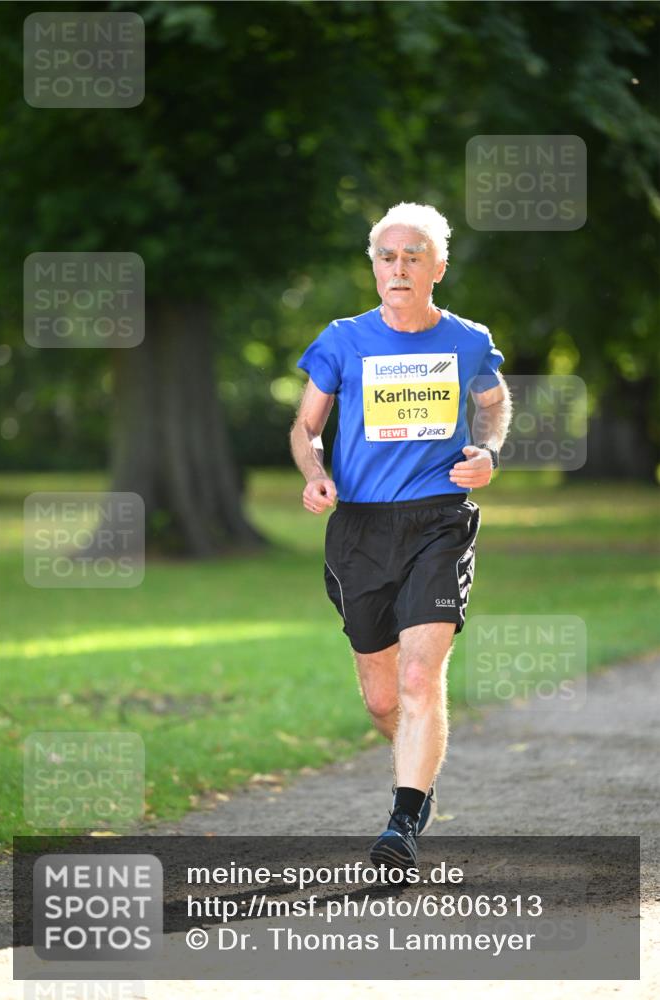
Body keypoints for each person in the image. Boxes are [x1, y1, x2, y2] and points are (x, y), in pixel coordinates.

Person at [290, 202, 512, 870]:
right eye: (386, 256)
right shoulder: (341, 339)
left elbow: (493, 403)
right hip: (358, 527)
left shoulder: (467, 340)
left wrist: (488, 451)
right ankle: (419, 757)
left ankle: (402, 821)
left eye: (413, 254)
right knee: (384, 697)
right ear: (374, 268)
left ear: (437, 267)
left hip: (438, 519)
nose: (398, 266)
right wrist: (315, 473)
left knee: (419, 677)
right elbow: (305, 428)